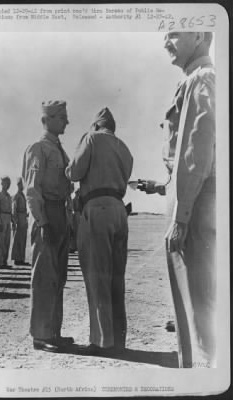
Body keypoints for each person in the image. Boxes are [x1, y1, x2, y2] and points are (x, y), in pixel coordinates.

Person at [144, 32, 216, 367]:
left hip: (194, 212)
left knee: (199, 312)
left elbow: (196, 154)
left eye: (174, 33)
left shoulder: (201, 80)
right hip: (191, 203)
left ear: (199, 35)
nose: (165, 43)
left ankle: (203, 382)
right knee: (193, 308)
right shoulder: (194, 80)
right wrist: (162, 187)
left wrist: (182, 217)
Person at [66, 107, 133, 354]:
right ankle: (119, 340)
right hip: (119, 210)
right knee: (117, 278)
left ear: (95, 125)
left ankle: (102, 342)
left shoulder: (90, 138)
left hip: (96, 208)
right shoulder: (123, 147)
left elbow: (74, 171)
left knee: (97, 277)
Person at [22, 100, 73, 352]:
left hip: (61, 214)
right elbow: (32, 190)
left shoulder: (60, 151)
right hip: (47, 215)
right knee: (44, 277)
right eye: (62, 117)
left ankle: (54, 331)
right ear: (48, 119)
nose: (67, 121)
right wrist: (42, 222)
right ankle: (41, 335)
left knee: (58, 277)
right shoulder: (38, 148)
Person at [0, 176, 13, 270]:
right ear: (2, 184)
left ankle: (4, 261)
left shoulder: (9, 196)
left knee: (7, 241)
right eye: (6, 183)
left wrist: (12, 220)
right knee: (0, 242)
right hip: (2, 217)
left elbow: (11, 210)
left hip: (8, 218)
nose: (7, 185)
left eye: (9, 183)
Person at [11, 177, 30, 266]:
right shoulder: (17, 196)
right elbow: (14, 209)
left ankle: (21, 258)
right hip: (19, 217)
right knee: (18, 239)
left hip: (23, 217)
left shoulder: (22, 195)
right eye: (20, 184)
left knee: (22, 239)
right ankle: (17, 258)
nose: (21, 186)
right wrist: (15, 221)